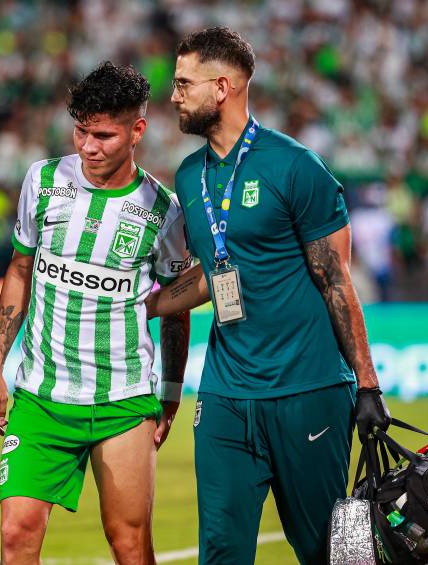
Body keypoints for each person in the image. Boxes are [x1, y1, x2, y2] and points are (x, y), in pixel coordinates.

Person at [145, 28, 392, 565]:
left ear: (223, 86)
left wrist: (367, 386)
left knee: (334, 553)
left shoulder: (296, 165)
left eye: (185, 83)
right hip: (227, 396)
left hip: (310, 390)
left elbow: (335, 279)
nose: (174, 94)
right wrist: (142, 302)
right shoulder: (189, 175)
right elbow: (213, 276)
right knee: (221, 551)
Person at [0, 62, 192, 565]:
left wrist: (169, 391)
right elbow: (20, 268)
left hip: (122, 400)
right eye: (81, 131)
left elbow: (178, 307)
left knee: (128, 542)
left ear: (137, 130)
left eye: (103, 135)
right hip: (41, 395)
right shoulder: (44, 179)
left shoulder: (163, 209)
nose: (88, 146)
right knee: (16, 533)